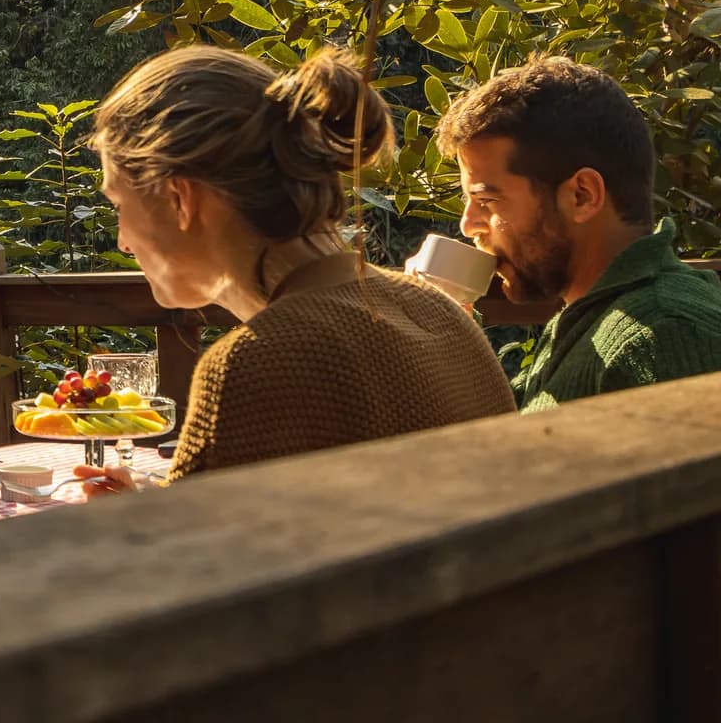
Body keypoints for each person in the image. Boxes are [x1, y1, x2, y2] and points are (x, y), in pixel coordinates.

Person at [74, 45, 515, 495]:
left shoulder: (258, 363)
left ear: (179, 199)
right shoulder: (437, 313)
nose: (123, 240)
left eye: (119, 205)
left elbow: (209, 564)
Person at [436, 56, 721, 412]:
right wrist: (447, 329)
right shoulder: (589, 315)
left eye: (488, 200)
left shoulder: (667, 336)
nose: (468, 224)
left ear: (582, 195)